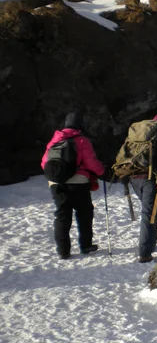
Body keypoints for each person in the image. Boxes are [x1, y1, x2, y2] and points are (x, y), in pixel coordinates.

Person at [41, 111, 106, 259]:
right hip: (78, 183)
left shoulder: (55, 140)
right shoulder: (82, 140)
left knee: (62, 215)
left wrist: (58, 175)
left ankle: (63, 251)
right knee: (84, 213)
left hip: (56, 183)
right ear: (80, 125)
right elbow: (91, 163)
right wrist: (102, 171)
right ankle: (86, 245)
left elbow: (44, 162)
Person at [128, 114, 157, 263]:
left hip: (134, 178)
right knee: (149, 213)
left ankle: (151, 243)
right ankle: (144, 252)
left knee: (151, 210)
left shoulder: (139, 136)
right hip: (150, 180)